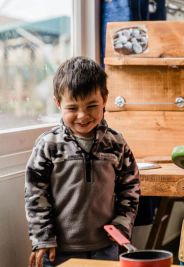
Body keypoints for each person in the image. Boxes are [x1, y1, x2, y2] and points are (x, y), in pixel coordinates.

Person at [24, 56, 140, 267]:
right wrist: (42, 238)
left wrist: (122, 225)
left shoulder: (116, 143)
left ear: (104, 99)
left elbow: (130, 187)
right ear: (58, 103)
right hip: (57, 249)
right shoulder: (48, 145)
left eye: (92, 106)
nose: (82, 115)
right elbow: (35, 194)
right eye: (72, 108)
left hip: (106, 247)